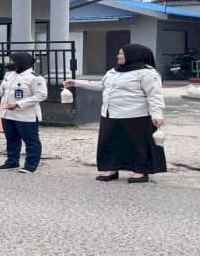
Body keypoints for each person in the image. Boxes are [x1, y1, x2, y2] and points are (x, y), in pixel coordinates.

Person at [64, 44, 166, 183]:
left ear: (133, 55)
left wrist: (157, 114)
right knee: (110, 142)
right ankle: (111, 169)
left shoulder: (147, 73)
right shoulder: (114, 71)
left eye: (121, 53)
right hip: (110, 113)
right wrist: (76, 83)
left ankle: (140, 171)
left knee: (137, 144)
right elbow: (101, 85)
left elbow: (154, 95)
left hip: (136, 115)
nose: (118, 56)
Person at [0, 52, 47, 173]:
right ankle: (12, 162)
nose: (10, 63)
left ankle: (31, 165)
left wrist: (19, 104)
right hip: (8, 113)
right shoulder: (9, 74)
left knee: (31, 140)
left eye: (13, 61)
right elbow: (2, 90)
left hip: (26, 115)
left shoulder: (35, 78)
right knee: (11, 139)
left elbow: (41, 95)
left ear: (21, 62)